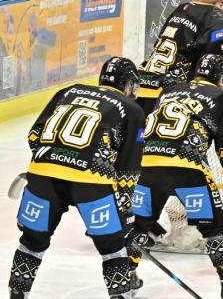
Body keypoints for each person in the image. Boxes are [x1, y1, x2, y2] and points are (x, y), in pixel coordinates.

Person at [9, 57, 144, 299]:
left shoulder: (68, 91)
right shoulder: (132, 108)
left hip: (44, 172)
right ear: (127, 84)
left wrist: (54, 159)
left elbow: (34, 135)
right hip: (92, 180)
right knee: (112, 247)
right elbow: (129, 165)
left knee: (31, 240)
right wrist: (124, 207)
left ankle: (17, 295)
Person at [128, 54, 223, 299]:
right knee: (215, 228)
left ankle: (126, 276)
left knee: (138, 226)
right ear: (222, 79)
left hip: (147, 163)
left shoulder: (169, 91)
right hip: (188, 166)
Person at [138, 0, 223, 117]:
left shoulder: (180, 9)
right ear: (217, 3)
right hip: (174, 93)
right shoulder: (218, 16)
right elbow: (213, 66)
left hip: (144, 86)